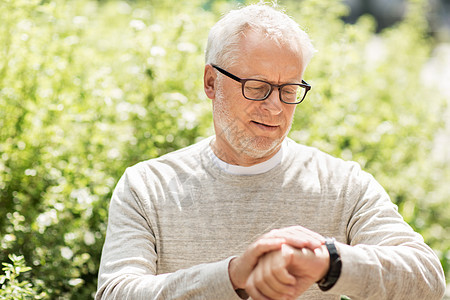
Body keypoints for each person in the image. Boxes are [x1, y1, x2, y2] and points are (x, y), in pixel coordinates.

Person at [96, 3, 446, 300]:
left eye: (289, 90)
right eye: (258, 87)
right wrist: (232, 277)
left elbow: (429, 281)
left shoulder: (343, 185)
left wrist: (330, 262)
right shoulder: (147, 186)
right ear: (211, 83)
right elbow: (116, 292)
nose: (275, 107)